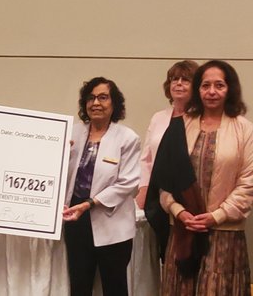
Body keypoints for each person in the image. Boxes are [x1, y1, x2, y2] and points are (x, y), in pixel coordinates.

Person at [152, 60, 253, 295]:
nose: (212, 91)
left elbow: (248, 182)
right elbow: (165, 180)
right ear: (197, 89)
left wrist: (216, 216)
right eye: (205, 85)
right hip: (182, 231)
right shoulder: (179, 126)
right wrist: (178, 211)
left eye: (219, 85)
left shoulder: (244, 129)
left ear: (230, 89)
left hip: (224, 235)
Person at [62, 77, 140, 296]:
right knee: (79, 284)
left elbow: (127, 182)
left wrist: (90, 203)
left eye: (103, 97)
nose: (96, 102)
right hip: (76, 219)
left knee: (114, 287)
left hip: (111, 221)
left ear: (114, 104)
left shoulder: (127, 138)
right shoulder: (72, 133)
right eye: (91, 97)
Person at [130, 61, 199, 295]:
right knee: (164, 252)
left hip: (189, 194)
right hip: (158, 194)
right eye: (174, 79)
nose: (178, 84)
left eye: (185, 79)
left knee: (188, 255)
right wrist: (143, 188)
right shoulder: (159, 117)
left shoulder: (201, 118)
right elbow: (146, 158)